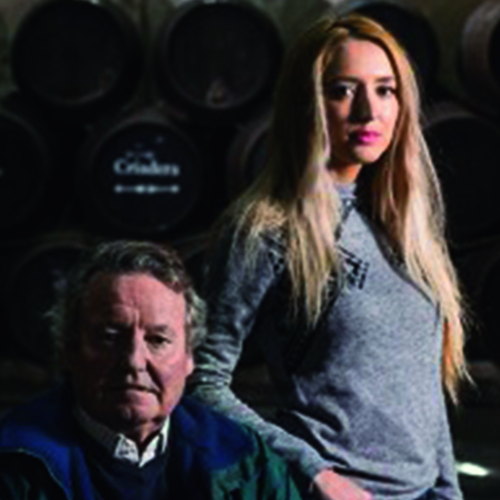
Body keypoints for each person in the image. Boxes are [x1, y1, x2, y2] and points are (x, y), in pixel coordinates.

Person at [189, 14, 467, 500]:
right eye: (342, 90)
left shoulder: (404, 223)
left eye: (385, 90)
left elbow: (422, 387)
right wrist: (316, 473)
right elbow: (202, 383)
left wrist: (447, 490)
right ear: (307, 103)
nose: (368, 111)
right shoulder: (268, 227)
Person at [0, 240, 302, 500]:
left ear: (189, 357)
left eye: (158, 340)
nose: (134, 360)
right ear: (70, 350)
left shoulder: (247, 460)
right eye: (110, 337)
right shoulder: (12, 462)